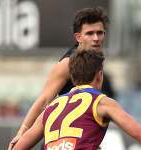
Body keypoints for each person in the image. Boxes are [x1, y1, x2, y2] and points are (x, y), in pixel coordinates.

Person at [13, 50, 141, 150]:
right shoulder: (101, 101)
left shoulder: (52, 107)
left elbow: (19, 147)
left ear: (73, 77)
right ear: (100, 75)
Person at [9, 7, 113, 150]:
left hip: (79, 140)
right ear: (78, 37)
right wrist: (22, 131)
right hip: (61, 142)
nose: (96, 38)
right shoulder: (68, 63)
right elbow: (44, 100)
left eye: (99, 33)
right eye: (90, 33)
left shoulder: (94, 59)